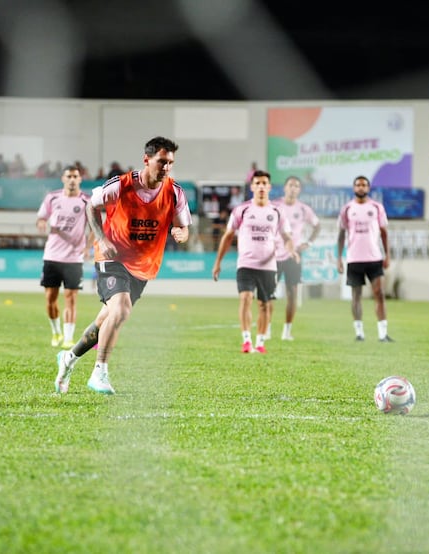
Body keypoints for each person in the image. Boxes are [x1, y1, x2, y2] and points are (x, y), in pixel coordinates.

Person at [54, 137, 191, 395]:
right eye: (162, 161)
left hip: (143, 268)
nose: (166, 167)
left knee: (105, 320)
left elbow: (183, 227)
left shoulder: (175, 192)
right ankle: (100, 372)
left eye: (170, 163)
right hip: (112, 258)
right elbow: (90, 207)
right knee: (121, 308)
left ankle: (68, 359)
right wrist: (101, 239)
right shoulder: (121, 185)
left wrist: (181, 234)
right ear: (147, 160)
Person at [212, 169, 298, 354]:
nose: (260, 187)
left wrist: (292, 250)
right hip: (246, 264)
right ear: (252, 187)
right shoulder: (241, 210)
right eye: (257, 183)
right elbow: (227, 237)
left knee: (264, 305)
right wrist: (218, 262)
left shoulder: (277, 211)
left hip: (268, 266)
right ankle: (246, 340)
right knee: (245, 298)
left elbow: (287, 236)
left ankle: (260, 342)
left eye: (264, 183)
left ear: (269, 187)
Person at [36, 165, 91, 348]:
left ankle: (68, 338)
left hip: (74, 258)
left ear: (80, 179)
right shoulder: (52, 197)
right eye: (69, 176)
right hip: (52, 255)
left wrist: (87, 248)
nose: (72, 179)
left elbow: (95, 228)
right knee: (50, 298)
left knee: (71, 297)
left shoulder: (86, 202)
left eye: (76, 176)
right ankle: (56, 332)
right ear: (63, 178)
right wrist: (42, 221)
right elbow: (41, 217)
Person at [336, 175, 393, 342]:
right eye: (358, 185)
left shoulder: (376, 207)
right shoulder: (347, 209)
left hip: (374, 258)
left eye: (364, 185)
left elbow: (384, 232)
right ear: (354, 188)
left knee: (380, 293)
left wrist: (387, 254)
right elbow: (341, 234)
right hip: (354, 258)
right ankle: (359, 333)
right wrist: (339, 258)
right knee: (356, 296)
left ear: (368, 188)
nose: (361, 187)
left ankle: (383, 333)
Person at [267, 176, 320, 341]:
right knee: (268, 293)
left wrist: (309, 242)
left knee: (292, 293)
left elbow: (317, 226)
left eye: (296, 186)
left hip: (294, 256)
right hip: (273, 255)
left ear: (299, 190)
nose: (293, 188)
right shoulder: (274, 205)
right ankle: (266, 329)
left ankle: (287, 331)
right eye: (290, 185)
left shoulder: (304, 209)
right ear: (284, 188)